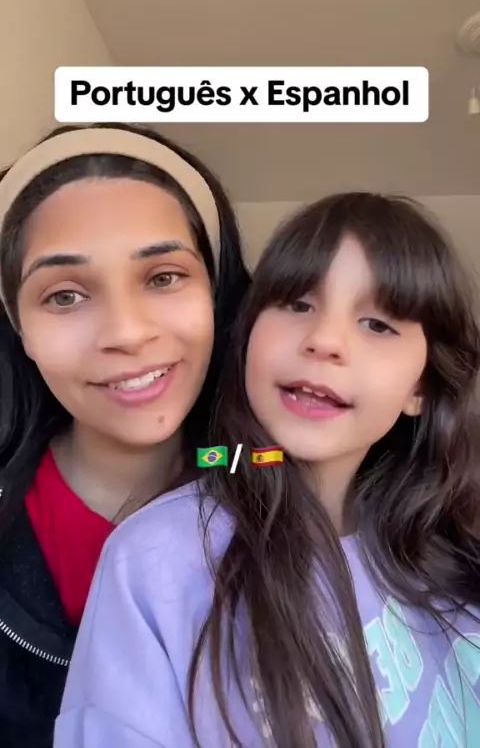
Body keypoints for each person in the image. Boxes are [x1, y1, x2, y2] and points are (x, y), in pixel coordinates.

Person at [55, 192, 480, 748]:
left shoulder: (453, 547)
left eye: (377, 324)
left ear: (420, 387)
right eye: (298, 304)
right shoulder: (154, 561)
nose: (324, 341)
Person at [0, 121, 250, 748]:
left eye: (163, 277)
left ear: (216, 295)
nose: (127, 333)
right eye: (64, 296)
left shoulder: (262, 474)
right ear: (19, 327)